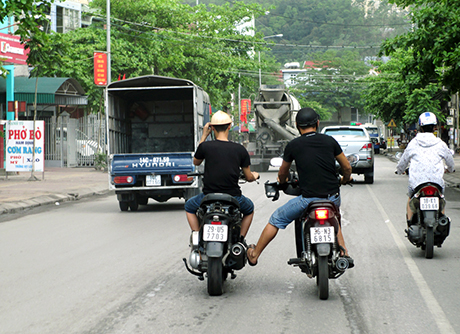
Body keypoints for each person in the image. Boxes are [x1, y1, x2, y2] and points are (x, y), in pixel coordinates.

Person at [246, 107, 353, 266]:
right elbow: (347, 167)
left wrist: (282, 183)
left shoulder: (294, 145)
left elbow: (283, 172)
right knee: (335, 218)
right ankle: (343, 253)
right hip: (332, 197)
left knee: (276, 219)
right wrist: (345, 179)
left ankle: (254, 254)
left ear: (297, 125)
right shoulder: (329, 141)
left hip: (308, 200)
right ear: (317, 123)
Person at [185, 110, 260, 239]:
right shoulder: (240, 149)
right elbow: (248, 177)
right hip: (233, 197)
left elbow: (196, 162)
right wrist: (255, 175)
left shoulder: (205, 146)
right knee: (249, 209)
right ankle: (240, 239)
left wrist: (204, 136)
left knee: (189, 206)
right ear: (229, 126)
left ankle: (197, 236)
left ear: (212, 127)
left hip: (208, 196)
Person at [396, 112, 455, 225]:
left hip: (417, 184)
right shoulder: (440, 144)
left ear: (420, 127)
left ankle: (410, 224)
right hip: (436, 183)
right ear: (435, 127)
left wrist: (399, 170)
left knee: (410, 199)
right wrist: (450, 169)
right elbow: (450, 162)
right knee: (441, 200)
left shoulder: (413, 143)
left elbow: (403, 161)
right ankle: (441, 220)